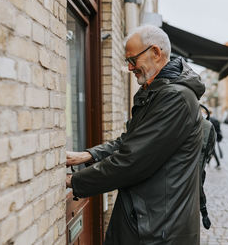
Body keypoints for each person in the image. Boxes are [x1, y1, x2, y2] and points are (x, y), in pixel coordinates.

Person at [66, 25, 206, 245]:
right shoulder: (156, 92)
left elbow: (133, 159)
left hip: (159, 229)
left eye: (132, 60)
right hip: (148, 218)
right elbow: (130, 141)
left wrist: (74, 181)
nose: (130, 68)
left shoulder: (175, 98)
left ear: (156, 53)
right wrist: (88, 155)